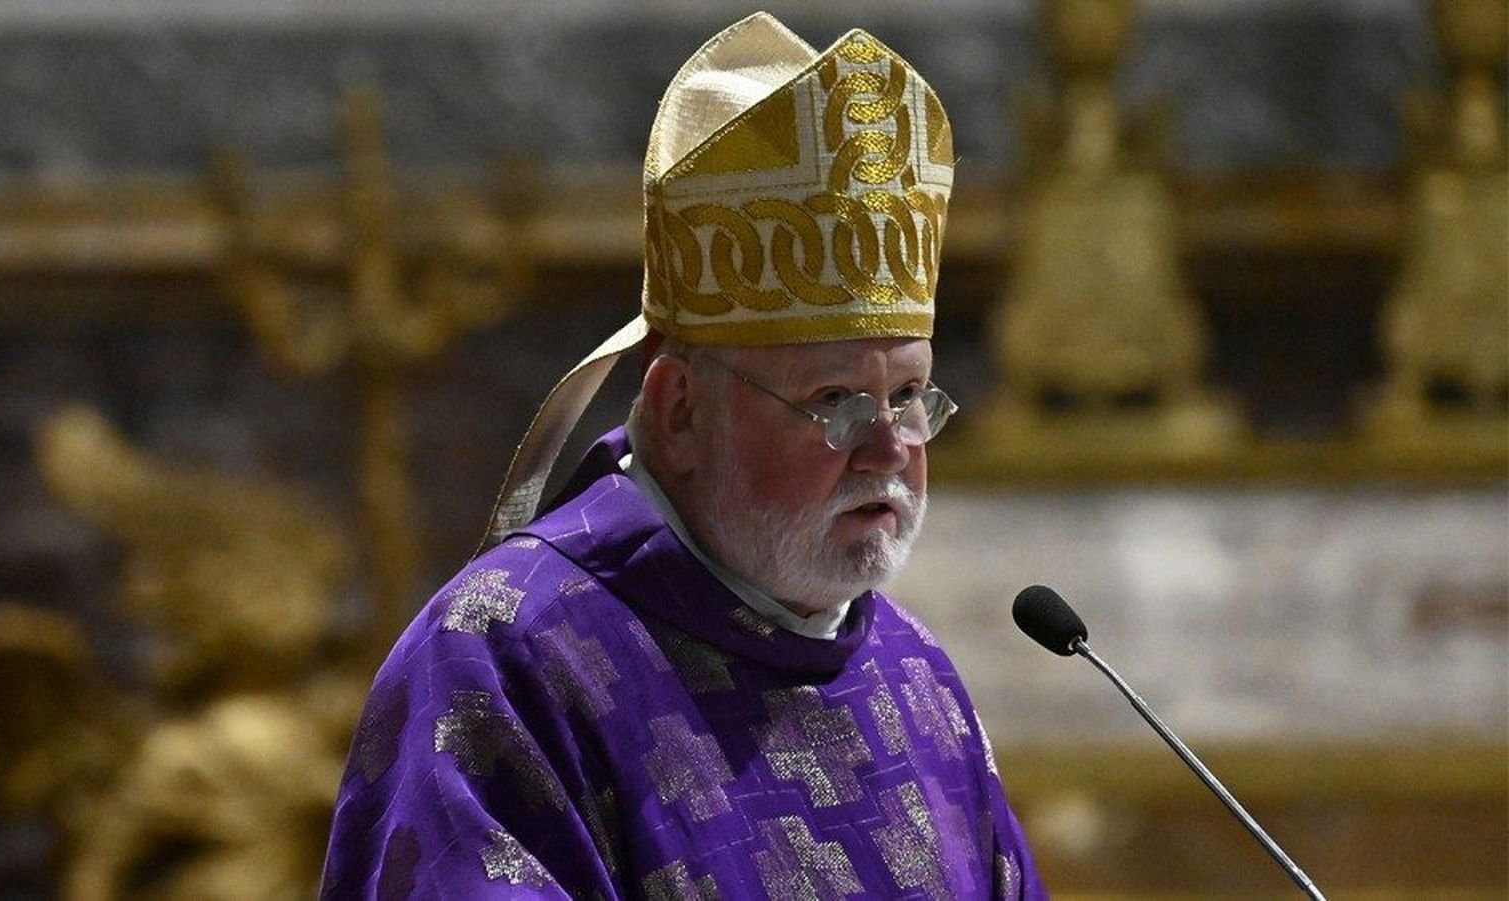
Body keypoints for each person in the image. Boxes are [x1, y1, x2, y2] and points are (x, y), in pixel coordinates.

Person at [322, 12, 1044, 899]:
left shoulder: (914, 673)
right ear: (681, 412)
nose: (890, 446)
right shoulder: (506, 660)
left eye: (907, 395)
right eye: (835, 400)